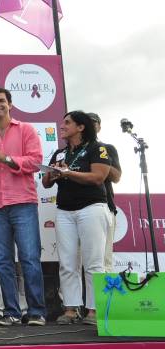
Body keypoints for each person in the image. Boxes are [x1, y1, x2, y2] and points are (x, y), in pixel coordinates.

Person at [0, 87, 46, 326]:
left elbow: (35, 162)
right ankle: (12, 312)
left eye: (1, 101)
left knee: (29, 258)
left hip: (23, 202)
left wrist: (5, 158)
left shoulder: (26, 129)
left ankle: (36, 312)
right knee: (3, 261)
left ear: (10, 104)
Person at [42, 110, 111, 325]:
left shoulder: (97, 148)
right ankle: (71, 309)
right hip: (64, 211)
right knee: (68, 262)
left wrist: (68, 173)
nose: (62, 126)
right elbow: (46, 183)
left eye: (67, 123)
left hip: (91, 208)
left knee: (93, 262)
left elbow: (98, 177)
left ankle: (94, 311)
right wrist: (52, 173)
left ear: (81, 127)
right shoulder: (60, 153)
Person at [88, 113, 121, 273]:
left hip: (105, 207)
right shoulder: (72, 150)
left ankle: (105, 299)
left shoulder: (107, 148)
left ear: (99, 127)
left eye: (95, 123)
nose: (92, 126)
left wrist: (99, 162)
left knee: (105, 261)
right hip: (76, 209)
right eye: (88, 123)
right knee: (77, 261)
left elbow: (116, 177)